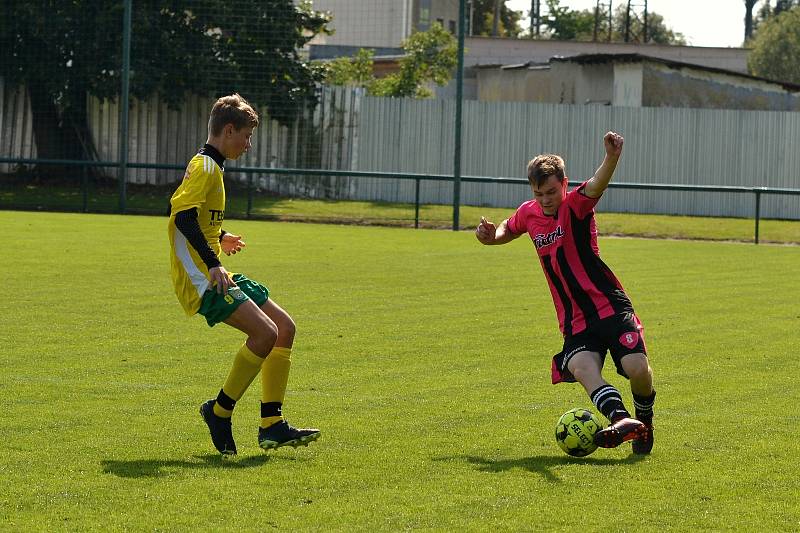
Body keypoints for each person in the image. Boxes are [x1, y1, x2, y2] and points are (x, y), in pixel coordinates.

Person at [475, 131, 656, 454]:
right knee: (582, 367)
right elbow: (509, 227)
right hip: (574, 318)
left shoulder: (575, 206)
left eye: (551, 191)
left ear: (564, 184)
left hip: (608, 305)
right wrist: (492, 236)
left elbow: (597, 184)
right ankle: (623, 420)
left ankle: (644, 420)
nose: (545, 199)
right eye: (539, 193)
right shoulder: (529, 212)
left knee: (636, 370)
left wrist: (612, 157)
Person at [167, 93, 320, 455]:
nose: (249, 145)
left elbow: (186, 210)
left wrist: (220, 236)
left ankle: (272, 424)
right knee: (265, 333)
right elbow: (182, 217)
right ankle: (219, 412)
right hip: (202, 279)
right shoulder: (205, 167)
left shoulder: (209, 167)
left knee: (284, 328)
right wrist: (214, 261)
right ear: (229, 130)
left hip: (215, 271)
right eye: (247, 136)